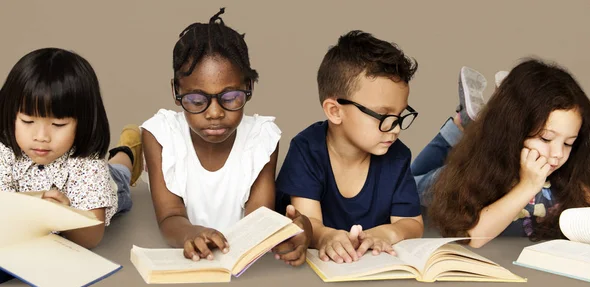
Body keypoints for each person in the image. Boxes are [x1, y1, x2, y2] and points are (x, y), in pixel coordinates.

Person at [141, 8, 311, 266]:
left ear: (249, 87)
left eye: (230, 98)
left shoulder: (262, 138)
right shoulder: (161, 135)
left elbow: (258, 216)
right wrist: (191, 233)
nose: (215, 113)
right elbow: (170, 215)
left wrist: (295, 230)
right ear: (176, 91)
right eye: (197, 100)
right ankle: (126, 153)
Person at [411, 59, 590, 248]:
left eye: (568, 143)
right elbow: (472, 238)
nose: (558, 154)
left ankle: (483, 119)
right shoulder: (472, 173)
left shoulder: (572, 177)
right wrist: (528, 186)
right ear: (513, 131)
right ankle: (462, 122)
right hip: (437, 185)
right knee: (408, 182)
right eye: (545, 139)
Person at [276, 30, 424, 264]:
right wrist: (327, 237)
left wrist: (385, 233)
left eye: (400, 115)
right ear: (335, 111)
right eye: (384, 115)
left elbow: (413, 223)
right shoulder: (307, 149)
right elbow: (307, 221)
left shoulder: (397, 155)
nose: (395, 128)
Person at [0, 47, 143, 251]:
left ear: (84, 122)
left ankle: (130, 148)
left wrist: (64, 217)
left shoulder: (89, 165)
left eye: (58, 125)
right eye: (27, 120)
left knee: (119, 172)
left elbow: (92, 237)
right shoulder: (4, 151)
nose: (41, 137)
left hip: (109, 187)